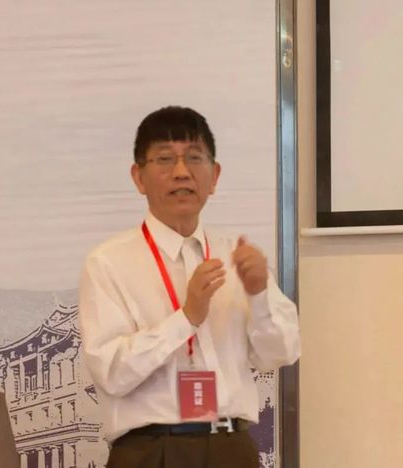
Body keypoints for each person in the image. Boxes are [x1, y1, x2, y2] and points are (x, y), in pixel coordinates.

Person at [79, 106, 300, 468]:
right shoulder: (108, 263)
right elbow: (111, 372)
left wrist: (260, 294)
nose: (181, 172)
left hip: (231, 447)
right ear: (138, 177)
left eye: (194, 158)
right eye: (165, 159)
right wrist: (187, 318)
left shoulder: (237, 256)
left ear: (214, 176)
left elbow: (281, 353)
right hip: (150, 451)